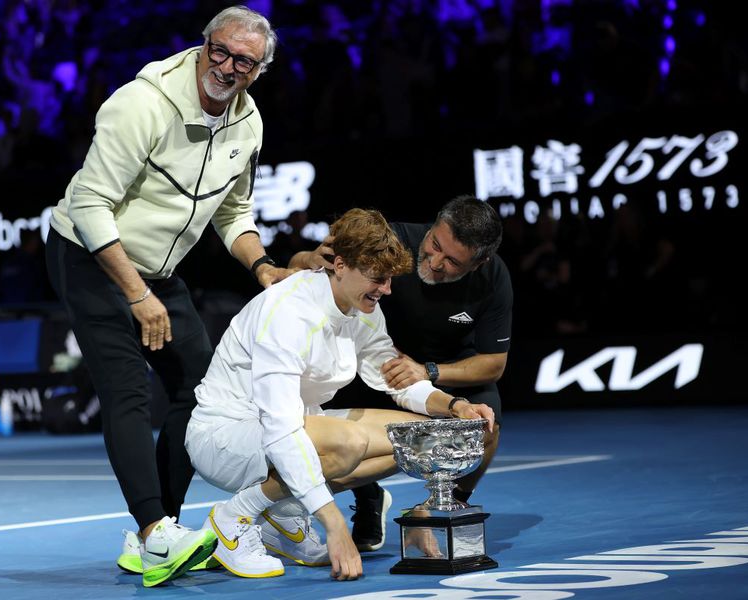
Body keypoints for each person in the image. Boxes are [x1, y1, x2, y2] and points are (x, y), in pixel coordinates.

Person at [44, 6, 293, 588]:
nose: (227, 67)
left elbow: (233, 213)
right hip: (89, 254)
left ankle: (161, 531)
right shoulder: (142, 104)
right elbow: (89, 204)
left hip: (159, 269)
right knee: (128, 388)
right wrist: (136, 295)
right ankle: (154, 528)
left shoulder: (248, 123)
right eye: (221, 51)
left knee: (201, 387)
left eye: (244, 61)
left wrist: (260, 266)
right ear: (204, 44)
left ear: (259, 70)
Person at [184, 208, 495, 581]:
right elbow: (281, 429)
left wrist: (454, 406)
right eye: (378, 279)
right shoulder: (289, 312)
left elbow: (393, 377)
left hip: (290, 430)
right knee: (346, 443)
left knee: (419, 439)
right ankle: (235, 516)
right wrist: (333, 524)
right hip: (227, 437)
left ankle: (281, 516)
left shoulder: (364, 309)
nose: (387, 289)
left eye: (390, 280)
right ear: (341, 265)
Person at [289, 195, 511, 552]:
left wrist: (429, 372)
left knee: (485, 425)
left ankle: (432, 510)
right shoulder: (387, 241)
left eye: (452, 261)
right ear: (435, 222)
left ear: (479, 262)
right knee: (334, 411)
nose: (435, 262)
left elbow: (494, 363)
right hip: (375, 360)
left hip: (441, 371)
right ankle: (366, 497)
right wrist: (306, 259)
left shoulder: (493, 277)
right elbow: (307, 263)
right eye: (435, 245)